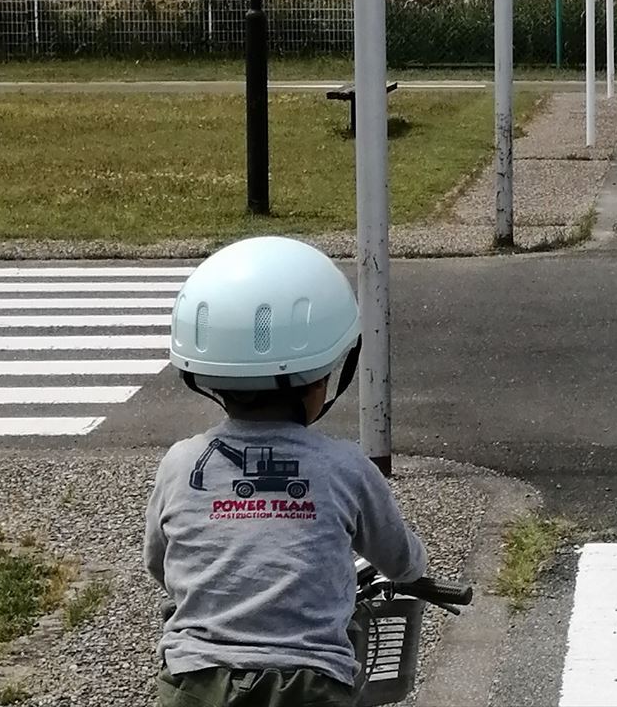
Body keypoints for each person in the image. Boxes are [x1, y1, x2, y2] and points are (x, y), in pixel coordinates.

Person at [145, 236, 429, 707]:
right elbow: (399, 559)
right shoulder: (345, 468)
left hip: (194, 681)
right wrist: (416, 567)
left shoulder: (181, 463)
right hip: (308, 685)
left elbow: (160, 562)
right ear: (322, 380)